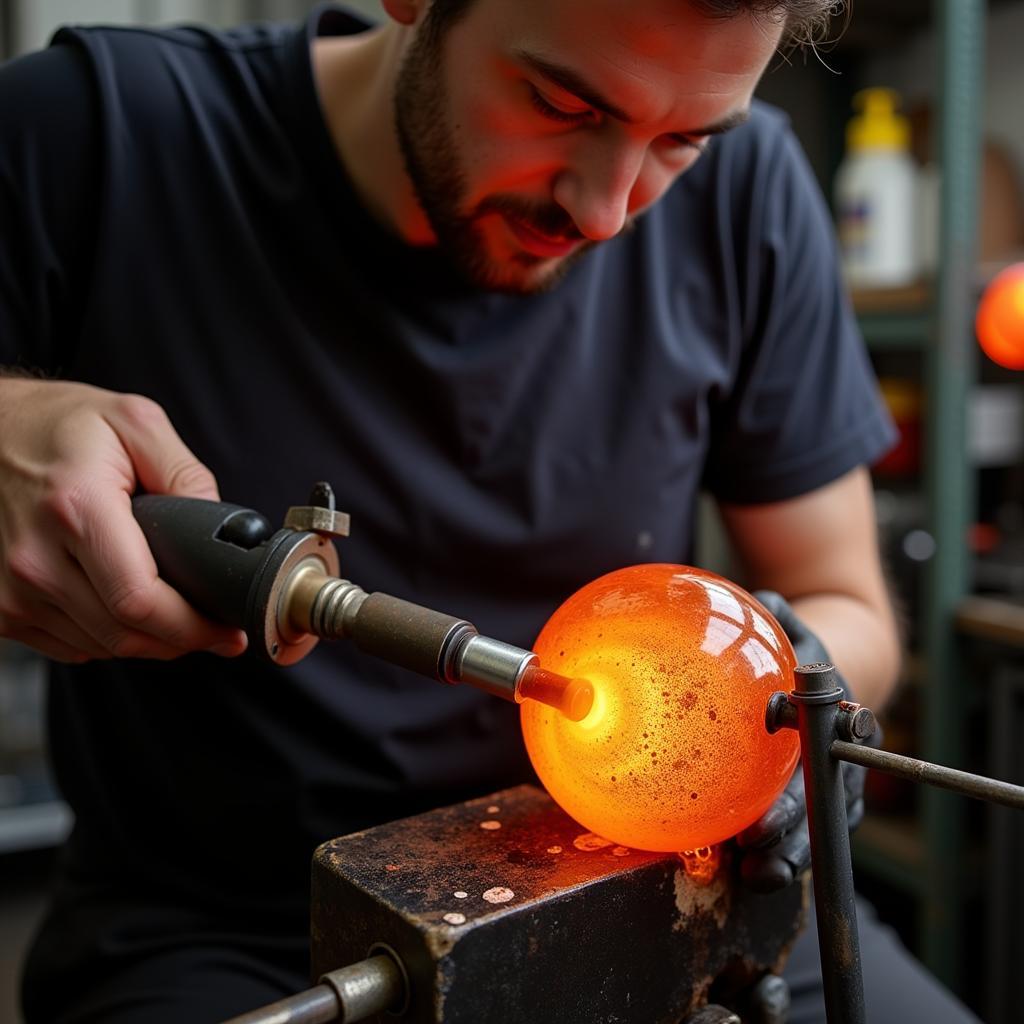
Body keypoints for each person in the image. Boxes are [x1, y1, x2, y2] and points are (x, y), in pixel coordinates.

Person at [0, 0, 978, 1021]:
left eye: (680, 142)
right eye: (562, 104)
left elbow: (847, 600)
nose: (606, 211)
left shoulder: (752, 190)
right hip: (241, 932)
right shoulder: (92, 133)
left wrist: (779, 710)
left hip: (656, 886)